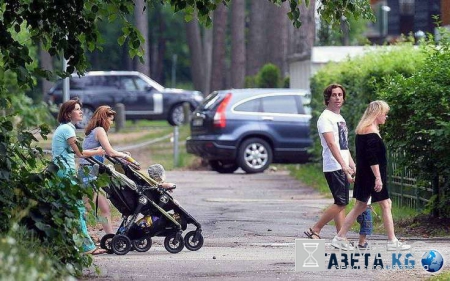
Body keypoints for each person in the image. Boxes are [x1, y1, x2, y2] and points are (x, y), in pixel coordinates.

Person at [332, 100, 410, 251]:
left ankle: (339, 237)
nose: (386, 117)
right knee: (385, 204)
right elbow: (372, 158)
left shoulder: (363, 129)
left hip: (364, 174)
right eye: (385, 114)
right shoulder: (370, 131)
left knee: (360, 206)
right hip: (372, 176)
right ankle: (392, 241)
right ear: (377, 113)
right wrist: (378, 177)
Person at [51, 98, 107, 255]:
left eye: (80, 108)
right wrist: (98, 151)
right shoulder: (68, 130)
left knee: (69, 208)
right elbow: (80, 153)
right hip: (65, 173)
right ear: (68, 114)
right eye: (77, 109)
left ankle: (74, 243)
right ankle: (86, 247)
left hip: (60, 171)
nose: (81, 111)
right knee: (77, 208)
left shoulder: (63, 128)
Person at [304, 83, 356, 240]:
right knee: (341, 202)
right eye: (334, 95)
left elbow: (343, 146)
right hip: (334, 165)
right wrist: (343, 165)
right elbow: (332, 144)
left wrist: (352, 165)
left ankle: (341, 237)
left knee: (340, 202)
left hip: (342, 164)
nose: (338, 98)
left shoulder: (339, 118)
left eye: (340, 95)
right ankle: (316, 229)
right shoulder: (325, 118)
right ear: (328, 98)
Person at [78, 105, 135, 235]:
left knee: (105, 208)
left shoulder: (92, 131)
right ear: (104, 118)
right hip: (89, 173)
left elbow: (106, 153)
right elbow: (110, 152)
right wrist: (125, 155)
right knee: (86, 208)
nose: (112, 122)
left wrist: (120, 154)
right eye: (111, 119)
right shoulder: (99, 130)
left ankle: (110, 237)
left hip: (93, 172)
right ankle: (79, 237)